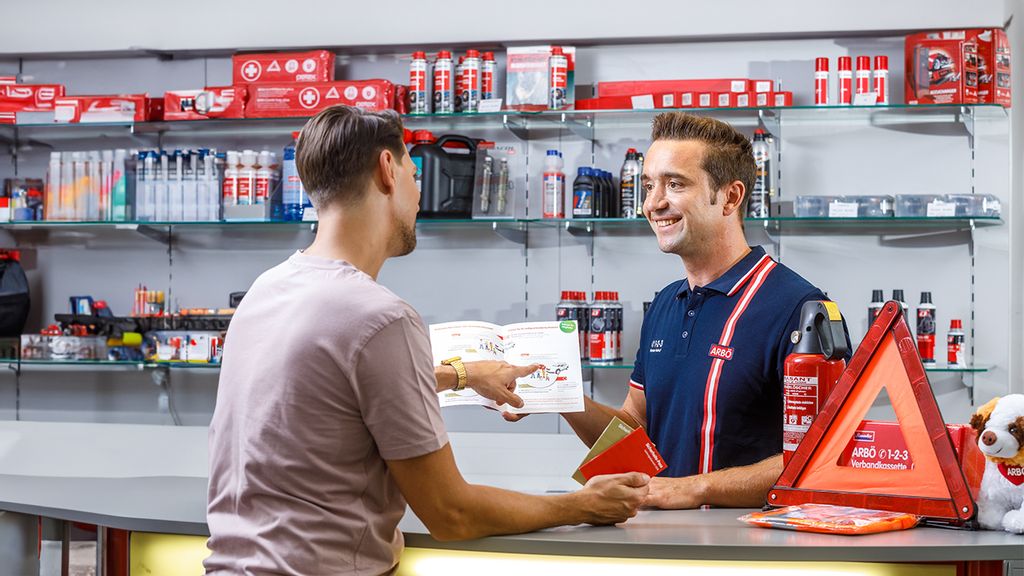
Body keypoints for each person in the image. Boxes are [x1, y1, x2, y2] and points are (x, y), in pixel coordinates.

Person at [204, 105, 649, 575]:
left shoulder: (268, 289)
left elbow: (327, 394)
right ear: (386, 170)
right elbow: (451, 513)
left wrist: (462, 374)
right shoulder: (380, 317)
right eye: (415, 174)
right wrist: (582, 505)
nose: (419, 195)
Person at [507, 112, 851, 509]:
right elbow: (635, 431)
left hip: (756, 550)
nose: (653, 203)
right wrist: (562, 398)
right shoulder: (666, 304)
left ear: (731, 197)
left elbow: (827, 453)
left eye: (675, 184)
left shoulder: (803, 309)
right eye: (649, 185)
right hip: (662, 541)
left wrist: (696, 487)